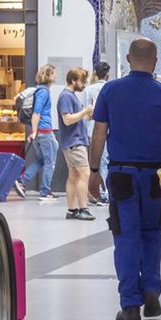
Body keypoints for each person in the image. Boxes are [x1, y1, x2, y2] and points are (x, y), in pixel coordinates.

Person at [89, 39, 161, 320]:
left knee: (125, 236)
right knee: (152, 233)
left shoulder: (111, 90)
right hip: (155, 175)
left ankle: (129, 303)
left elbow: (99, 134)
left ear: (128, 58)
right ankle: (151, 288)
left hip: (121, 173)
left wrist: (93, 171)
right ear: (155, 61)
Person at [58, 67, 95, 220]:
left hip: (72, 141)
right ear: (73, 80)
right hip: (75, 142)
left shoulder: (70, 96)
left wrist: (87, 114)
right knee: (84, 174)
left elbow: (75, 118)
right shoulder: (67, 97)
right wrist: (85, 111)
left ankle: (72, 209)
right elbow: (67, 119)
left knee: (73, 175)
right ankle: (83, 208)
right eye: (82, 81)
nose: (84, 84)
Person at [20, 64, 60, 202]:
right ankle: (45, 191)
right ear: (48, 75)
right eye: (54, 73)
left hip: (41, 132)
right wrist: (35, 131)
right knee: (50, 162)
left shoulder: (40, 91)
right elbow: (36, 113)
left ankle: (22, 181)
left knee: (42, 160)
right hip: (44, 132)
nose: (56, 75)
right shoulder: (43, 92)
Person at [83, 61, 111, 205]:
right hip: (108, 129)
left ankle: (98, 191)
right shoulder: (110, 88)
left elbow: (86, 111)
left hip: (91, 129)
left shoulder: (89, 89)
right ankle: (104, 192)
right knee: (105, 161)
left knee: (95, 160)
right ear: (107, 75)